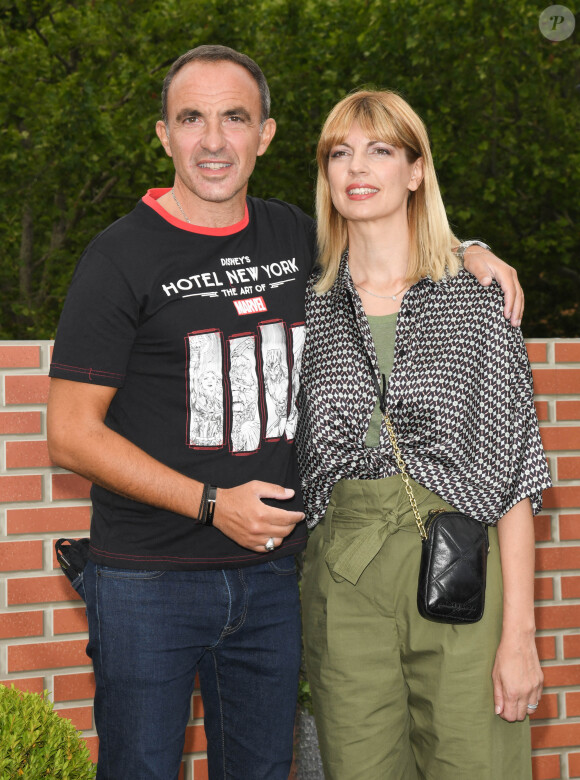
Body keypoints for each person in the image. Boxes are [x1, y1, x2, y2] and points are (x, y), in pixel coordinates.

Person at [46, 44, 525, 780]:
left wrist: (473, 250)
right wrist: (210, 504)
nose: (213, 140)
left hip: (275, 581)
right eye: (191, 119)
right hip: (150, 580)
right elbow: (70, 432)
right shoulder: (119, 256)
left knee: (267, 769)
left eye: (234, 118)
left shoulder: (293, 241)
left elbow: (386, 239)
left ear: (264, 134)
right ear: (163, 134)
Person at [296, 90, 552, 780]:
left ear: (415, 171)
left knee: (478, 767)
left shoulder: (476, 299)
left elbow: (516, 479)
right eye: (340, 152)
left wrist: (520, 637)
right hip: (344, 579)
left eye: (381, 149)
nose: (358, 166)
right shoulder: (306, 304)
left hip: (459, 571)